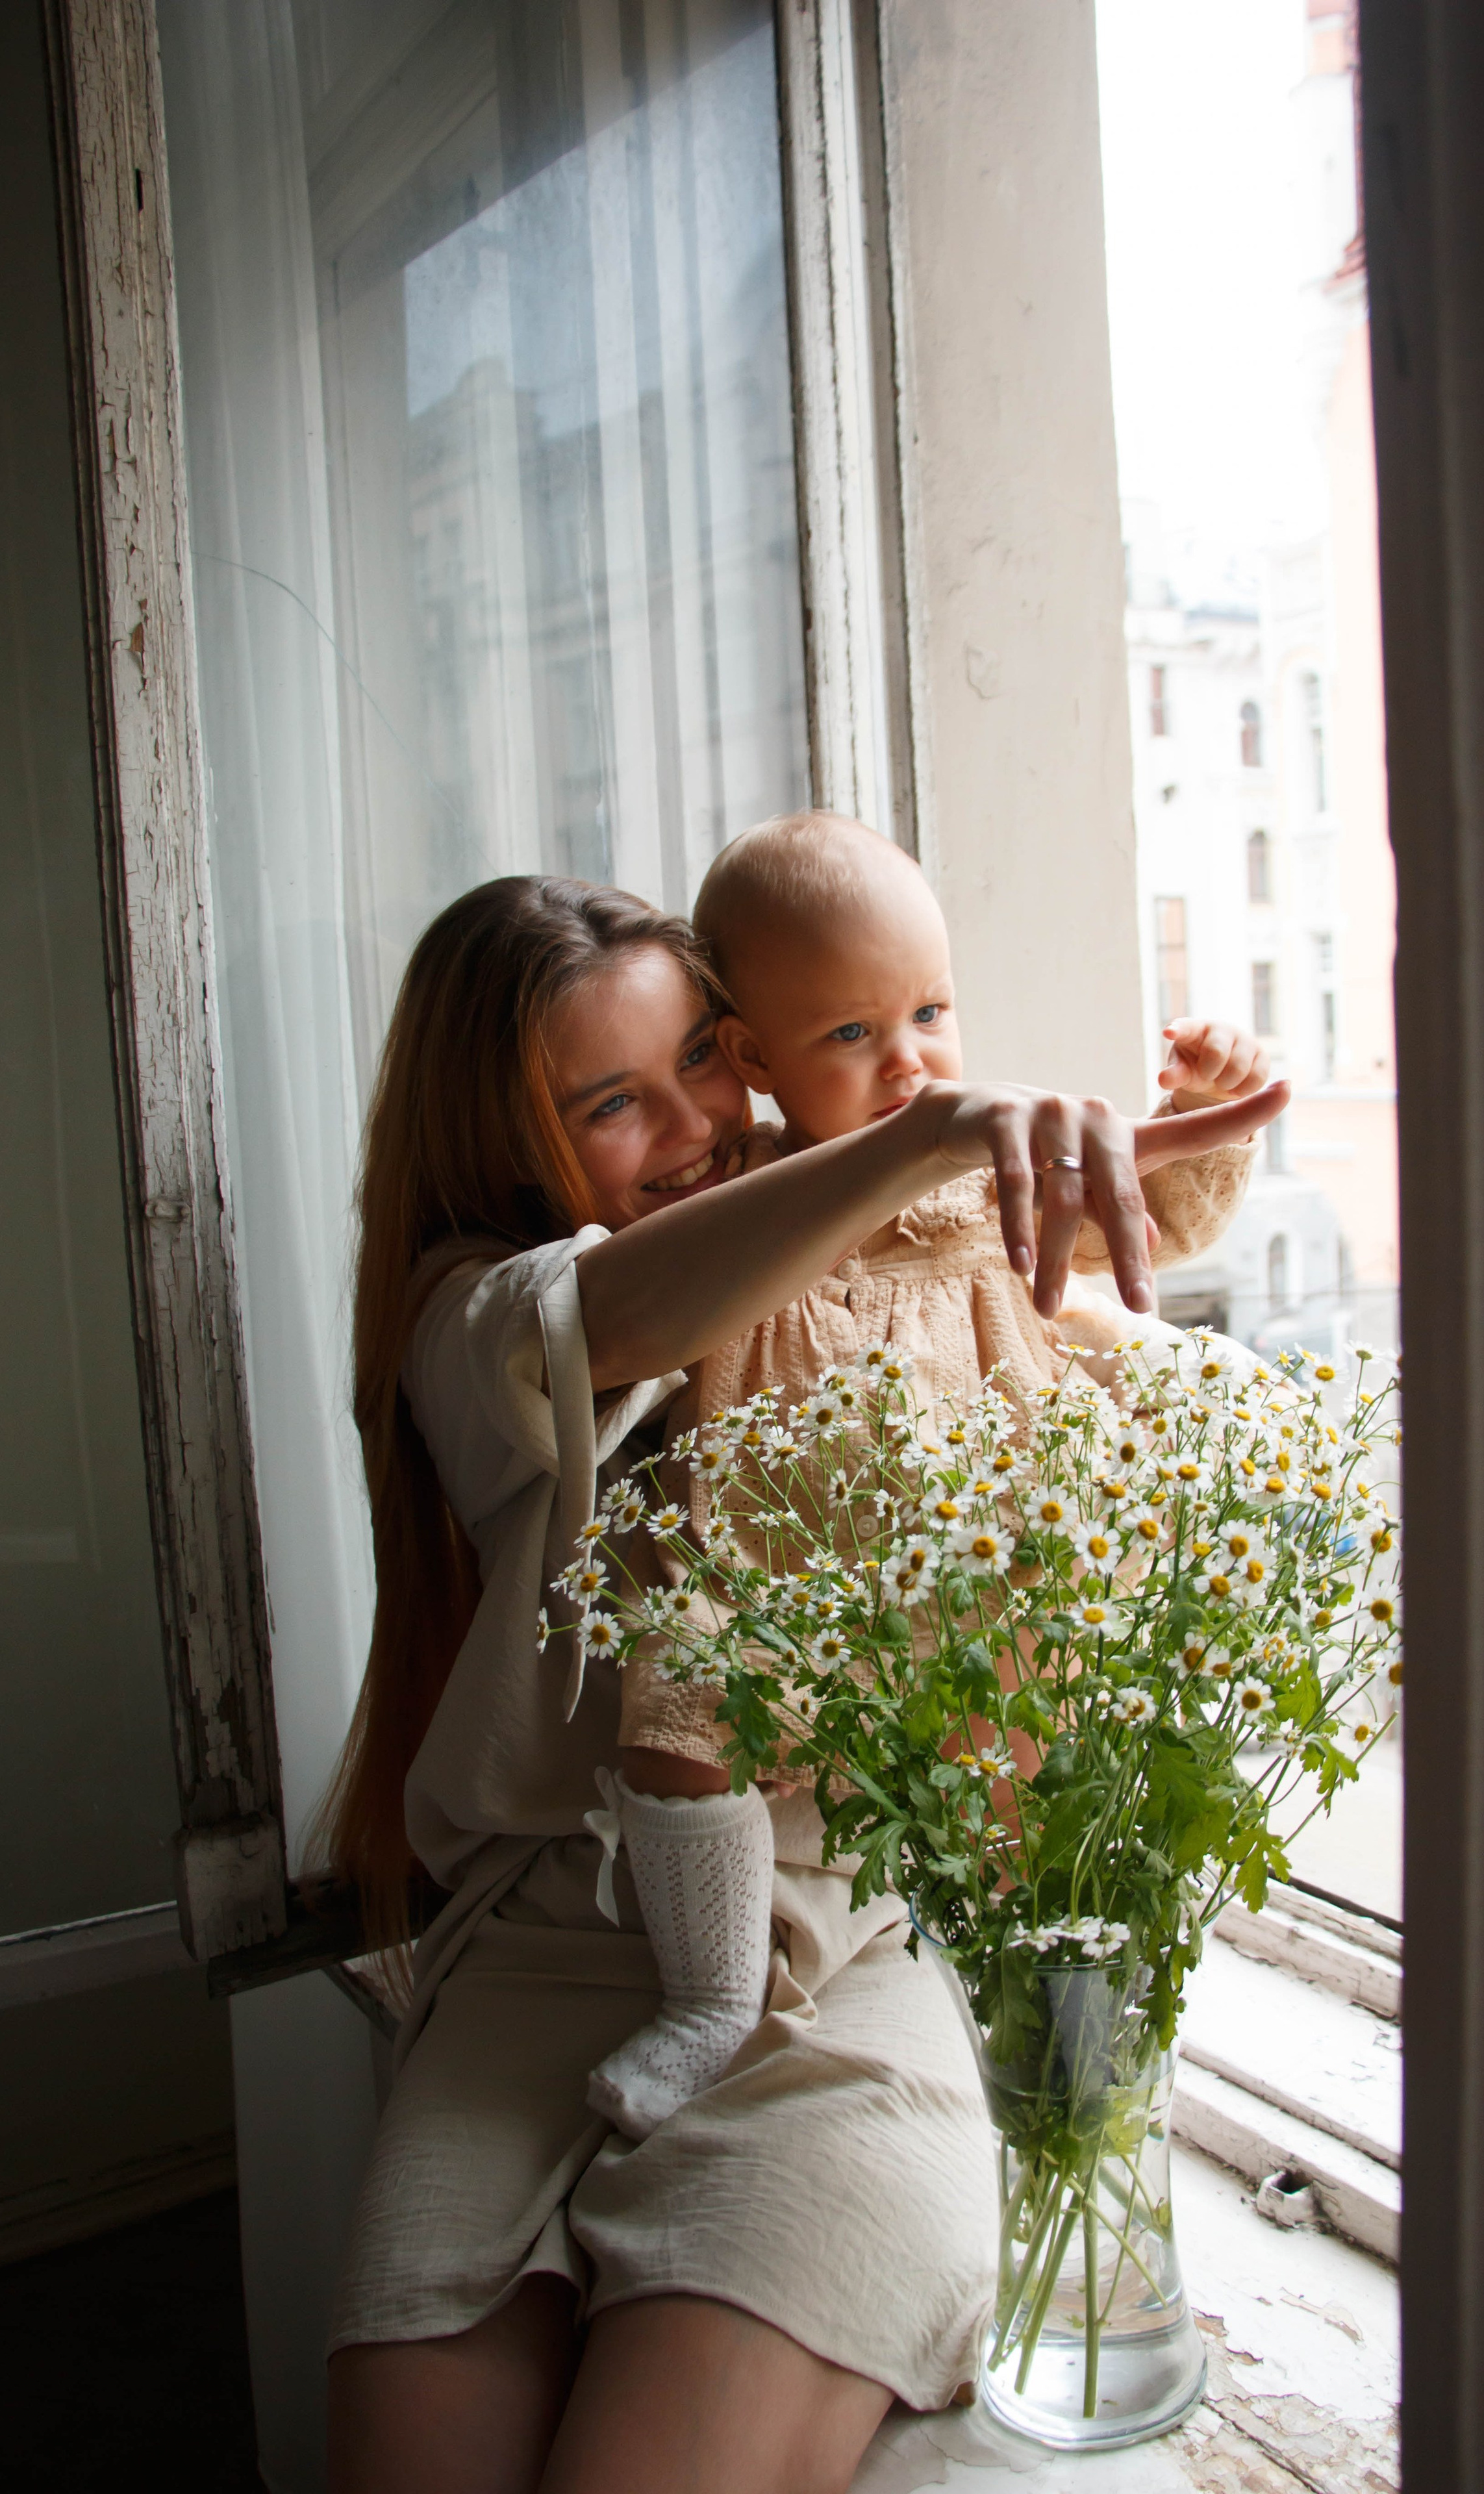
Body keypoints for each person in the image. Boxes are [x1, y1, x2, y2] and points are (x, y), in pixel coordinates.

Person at [322, 873, 1285, 2494]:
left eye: (702, 1055)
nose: (697, 1123)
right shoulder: (473, 1324)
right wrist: (923, 1134)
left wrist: (1129, 1156)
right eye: (612, 1103)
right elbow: (623, 1309)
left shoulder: (842, 1213)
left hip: (850, 1947)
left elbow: (1053, 1269)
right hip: (537, 1964)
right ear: (504, 1144)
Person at [588, 811, 1276, 2144]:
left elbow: (1157, 1215)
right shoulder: (743, 1204)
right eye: (852, 1033)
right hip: (792, 1572)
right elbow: (632, 1303)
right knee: (682, 1696)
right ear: (752, 1058)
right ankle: (713, 1999)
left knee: (1031, 1768)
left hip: (999, 1553)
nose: (908, 1061)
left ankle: (1054, 2019)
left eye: (929, 1012)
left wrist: (1202, 1112)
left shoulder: (983, 1176)